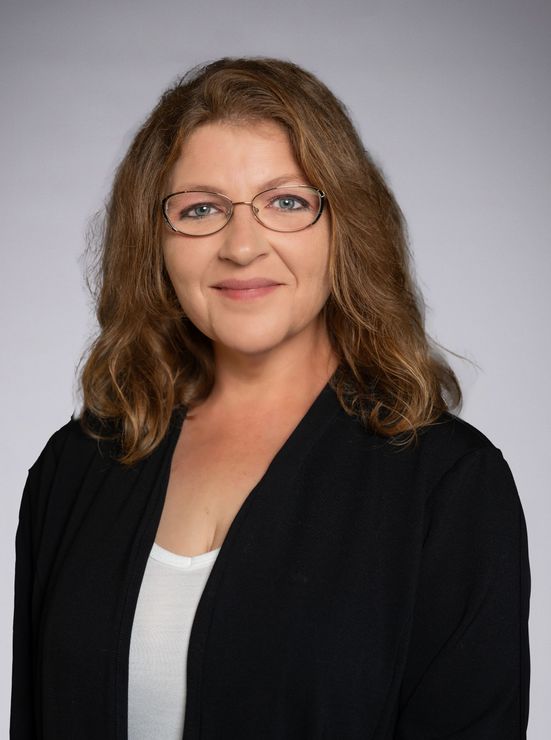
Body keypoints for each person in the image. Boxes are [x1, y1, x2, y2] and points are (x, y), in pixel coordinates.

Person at [10, 57, 530, 739]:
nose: (242, 245)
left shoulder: (447, 485)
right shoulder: (75, 467)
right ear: (155, 242)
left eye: (286, 201)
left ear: (343, 225)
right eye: (200, 209)